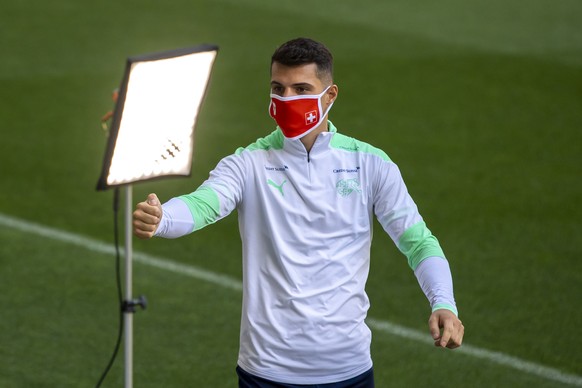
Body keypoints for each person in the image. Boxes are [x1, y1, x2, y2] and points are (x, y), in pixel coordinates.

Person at [133, 37, 464, 387]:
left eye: (301, 88)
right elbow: (203, 205)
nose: (287, 99)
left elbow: (418, 242)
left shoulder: (370, 165)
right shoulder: (248, 163)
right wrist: (163, 217)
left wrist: (444, 303)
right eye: (278, 88)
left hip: (348, 368)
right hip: (266, 370)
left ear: (330, 95)